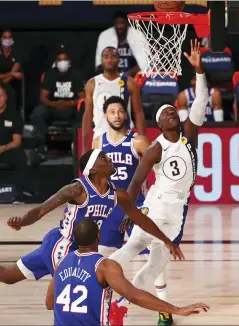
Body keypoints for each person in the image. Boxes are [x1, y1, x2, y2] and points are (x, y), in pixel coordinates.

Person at [0, 149, 184, 304]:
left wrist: (167, 240)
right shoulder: (77, 188)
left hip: (75, 248)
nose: (110, 159)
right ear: (93, 169)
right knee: (61, 301)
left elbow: (141, 219)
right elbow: (43, 208)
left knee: (8, 276)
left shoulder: (118, 194)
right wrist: (22, 222)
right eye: (104, 157)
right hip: (63, 247)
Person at [108, 39, 209, 326]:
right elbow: (135, 182)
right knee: (141, 252)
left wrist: (199, 71)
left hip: (173, 210)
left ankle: (115, 300)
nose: (171, 113)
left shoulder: (189, 133)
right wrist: (129, 212)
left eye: (172, 110)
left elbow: (200, 101)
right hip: (159, 205)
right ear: (159, 124)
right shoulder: (155, 148)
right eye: (165, 113)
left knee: (149, 260)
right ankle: (107, 283)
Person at [46, 218, 210, 325]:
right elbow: (134, 295)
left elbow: (49, 303)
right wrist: (177, 309)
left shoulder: (61, 262)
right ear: (98, 237)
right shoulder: (104, 266)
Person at [92, 95, 150, 256]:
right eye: (112, 112)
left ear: (126, 114)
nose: (116, 115)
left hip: (135, 203)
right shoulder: (99, 142)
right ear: (105, 115)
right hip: (110, 205)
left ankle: (159, 282)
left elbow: (159, 170)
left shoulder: (139, 140)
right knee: (103, 254)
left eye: (120, 111)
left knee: (147, 255)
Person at [82, 47, 146, 154]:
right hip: (100, 138)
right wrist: (84, 147)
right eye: (106, 57)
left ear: (119, 60)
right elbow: (87, 115)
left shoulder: (129, 82)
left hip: (125, 138)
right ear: (101, 60)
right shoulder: (92, 84)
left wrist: (142, 141)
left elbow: (139, 113)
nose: (109, 60)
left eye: (113, 57)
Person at [30, 44, 85, 158]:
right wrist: (56, 104)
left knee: (84, 110)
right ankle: (41, 147)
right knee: (38, 113)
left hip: (71, 108)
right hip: (53, 108)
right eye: (59, 60)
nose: (62, 62)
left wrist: (69, 103)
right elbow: (43, 97)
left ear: (69, 61)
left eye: (64, 59)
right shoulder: (50, 74)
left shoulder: (76, 74)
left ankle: (79, 145)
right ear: (55, 62)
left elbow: (82, 98)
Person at [95, 10, 147, 77]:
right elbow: (100, 63)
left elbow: (144, 62)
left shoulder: (138, 35)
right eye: (117, 23)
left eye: (122, 23)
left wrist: (128, 74)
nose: (119, 26)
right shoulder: (105, 35)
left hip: (135, 76)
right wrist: (113, 75)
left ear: (127, 23)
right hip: (111, 76)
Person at [0, 29, 24, 110]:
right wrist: (12, 74)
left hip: (11, 83)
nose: (7, 40)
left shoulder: (17, 55)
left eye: (9, 37)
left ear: (12, 39)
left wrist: (0, 84)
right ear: (1, 39)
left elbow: (10, 78)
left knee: (10, 92)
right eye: (5, 37)